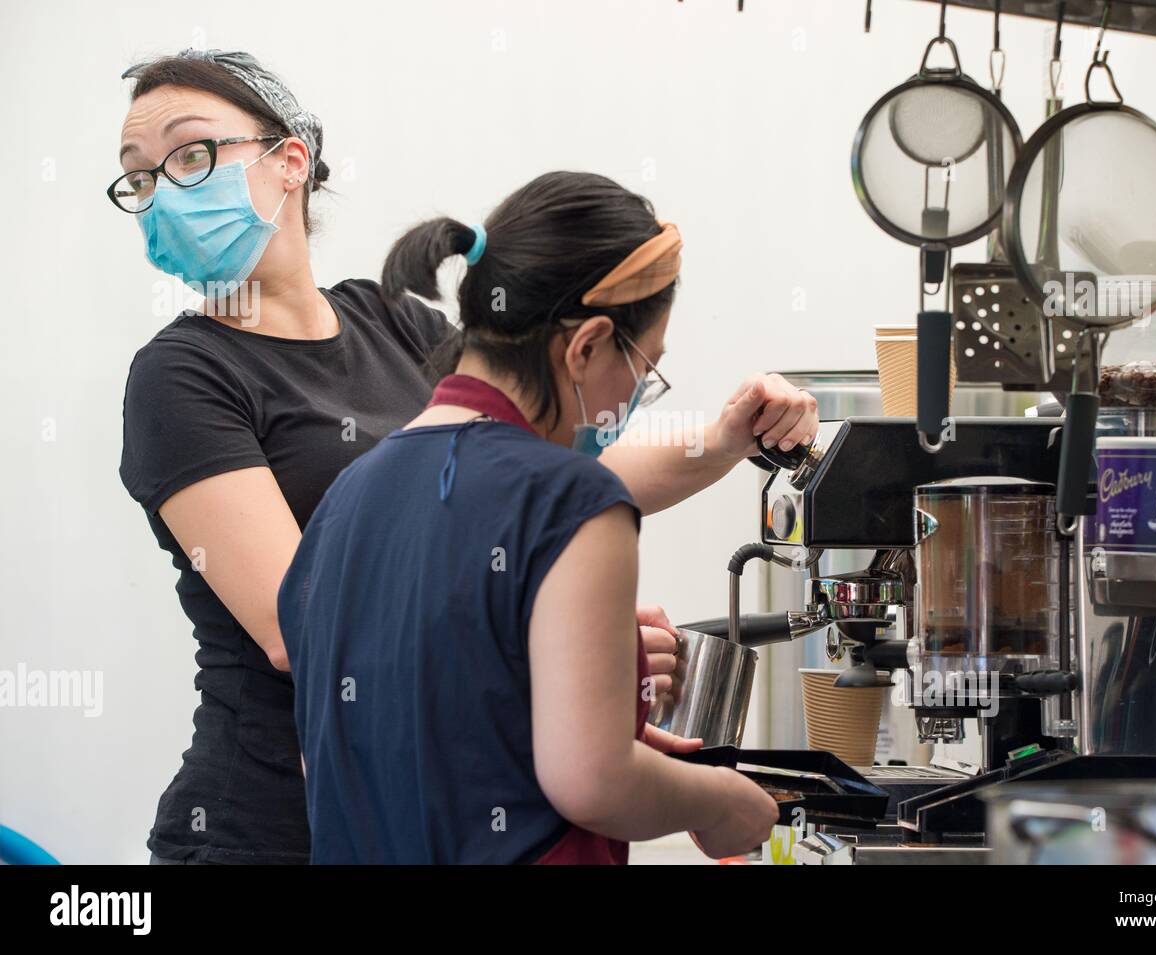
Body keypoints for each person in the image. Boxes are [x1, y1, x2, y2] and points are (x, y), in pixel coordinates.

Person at [112, 50, 816, 864]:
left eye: (190, 155)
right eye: (139, 179)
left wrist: (724, 438)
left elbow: (528, 492)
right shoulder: (181, 375)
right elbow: (305, 621)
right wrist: (565, 644)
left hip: (421, 807)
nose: (163, 191)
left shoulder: (390, 323)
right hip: (265, 821)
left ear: (289, 161)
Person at [280, 171, 784, 863]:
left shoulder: (345, 498)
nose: (637, 396)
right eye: (645, 369)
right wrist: (724, 800)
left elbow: (358, 753)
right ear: (586, 345)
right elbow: (593, 781)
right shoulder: (572, 498)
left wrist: (577, 725)